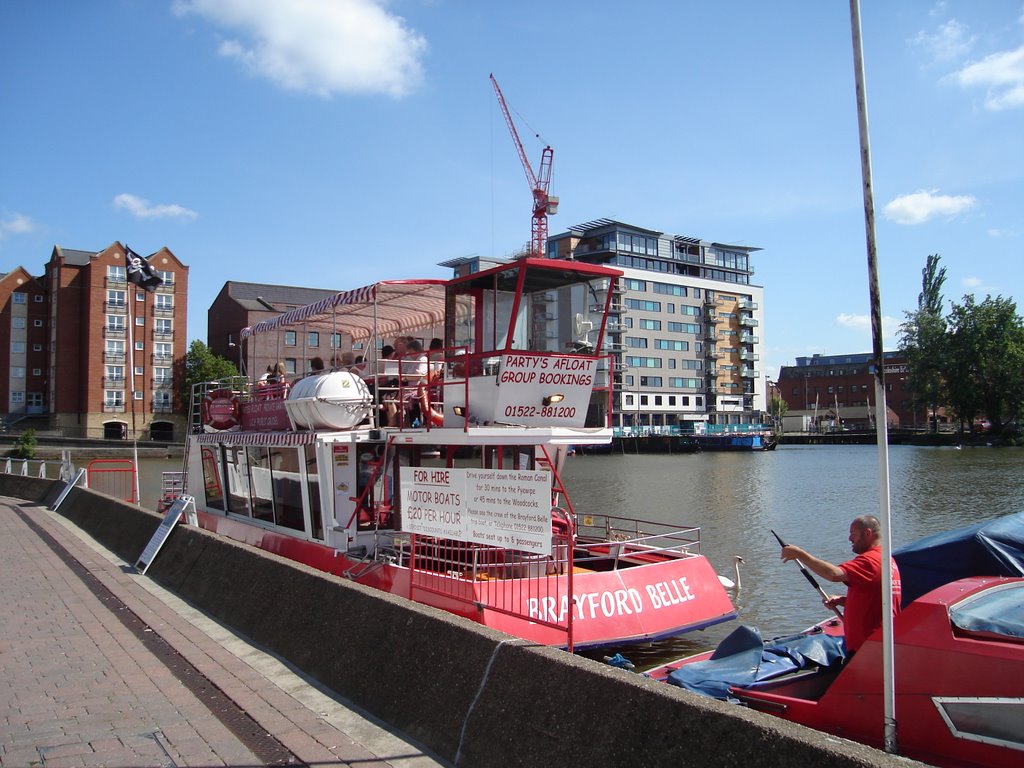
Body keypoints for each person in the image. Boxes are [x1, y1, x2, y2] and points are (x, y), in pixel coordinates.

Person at [779, 514, 901, 654]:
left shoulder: (870, 561)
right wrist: (844, 601)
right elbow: (878, 601)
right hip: (881, 644)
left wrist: (799, 554)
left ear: (867, 533)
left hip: (869, 650)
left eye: (853, 534)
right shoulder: (887, 560)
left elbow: (834, 574)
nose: (850, 538)